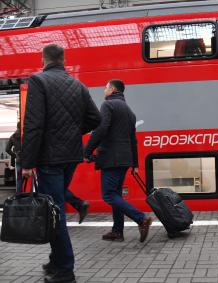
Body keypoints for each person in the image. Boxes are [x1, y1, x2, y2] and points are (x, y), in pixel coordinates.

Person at [21, 44, 101, 283]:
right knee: (55, 208)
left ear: (43, 59)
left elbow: (34, 125)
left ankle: (65, 271)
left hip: (49, 158)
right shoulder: (78, 84)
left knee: (55, 212)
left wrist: (27, 162)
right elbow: (95, 119)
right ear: (64, 59)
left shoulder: (38, 81)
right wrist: (73, 133)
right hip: (71, 156)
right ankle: (56, 262)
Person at [84, 79, 153, 243]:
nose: (104, 89)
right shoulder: (129, 111)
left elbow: (101, 128)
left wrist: (87, 151)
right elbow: (133, 140)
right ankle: (117, 231)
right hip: (124, 159)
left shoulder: (108, 105)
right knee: (115, 194)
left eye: (106, 86)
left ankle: (141, 219)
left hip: (111, 159)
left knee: (108, 195)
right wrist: (135, 163)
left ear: (113, 89)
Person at [6, 122, 21, 191]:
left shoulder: (13, 136)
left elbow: (7, 149)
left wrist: (15, 155)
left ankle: (19, 195)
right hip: (28, 159)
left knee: (19, 178)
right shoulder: (26, 134)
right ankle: (29, 195)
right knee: (31, 178)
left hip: (18, 159)